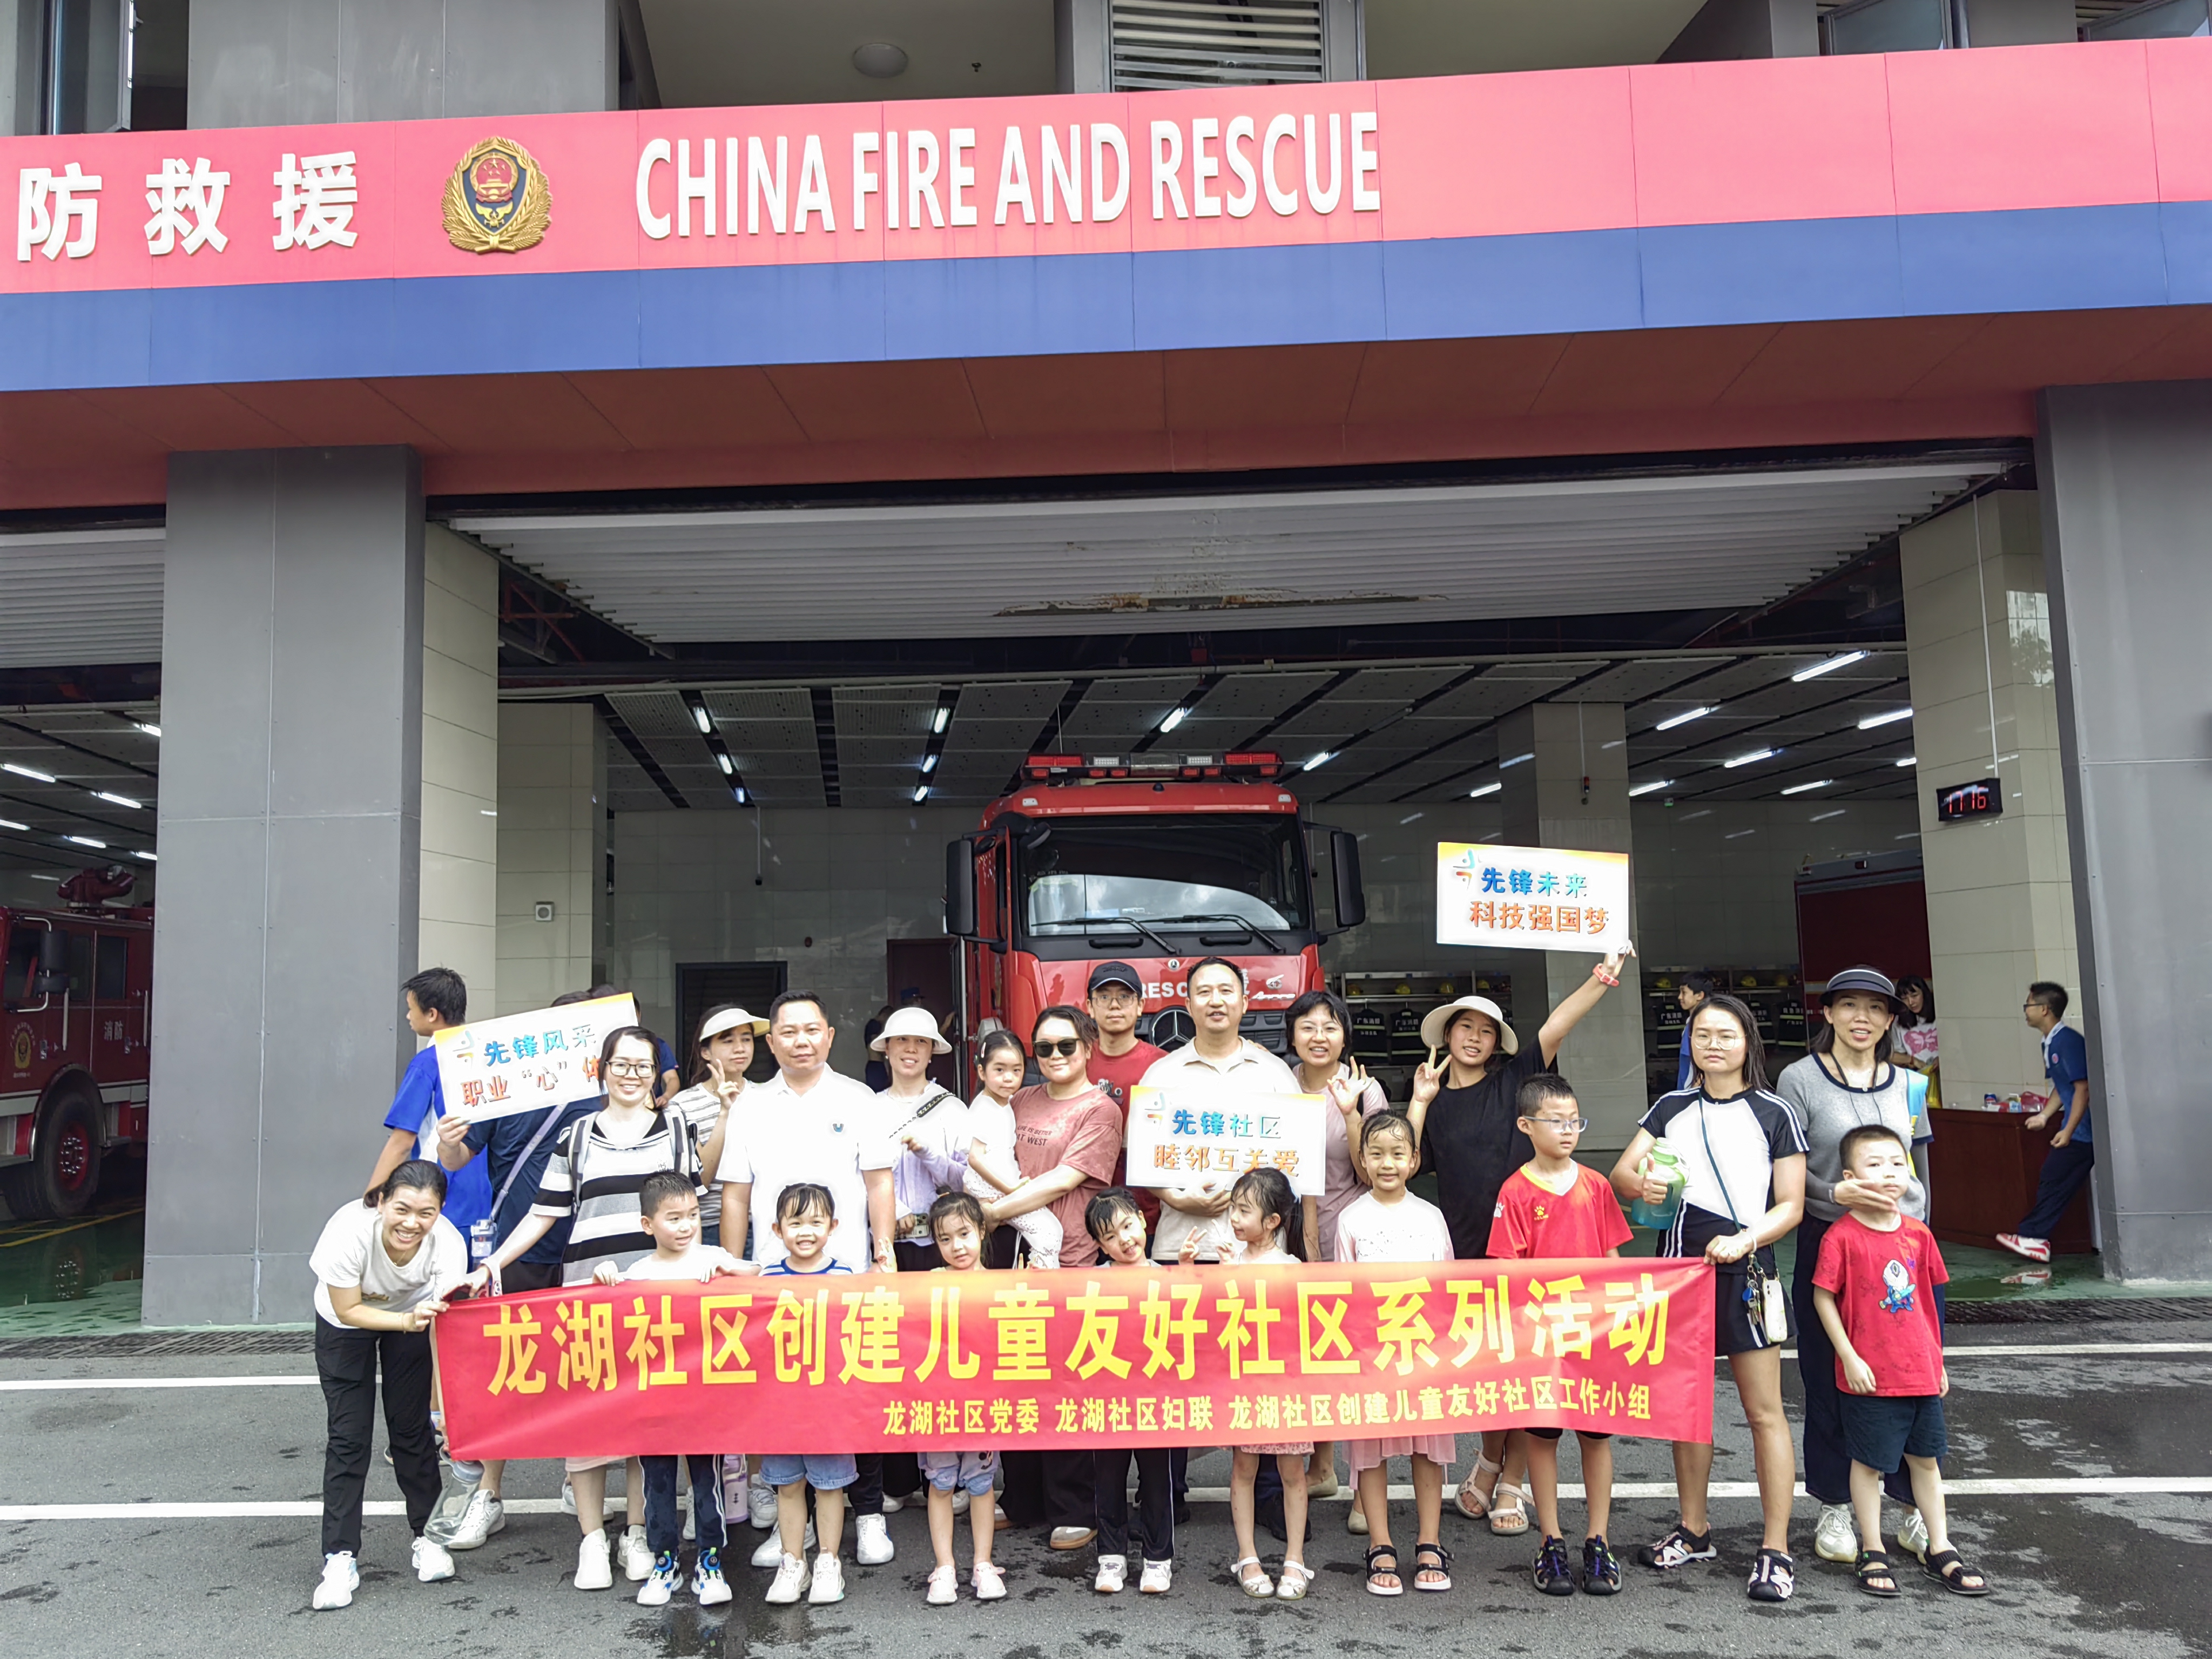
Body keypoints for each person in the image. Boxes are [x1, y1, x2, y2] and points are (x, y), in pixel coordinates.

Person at [464, 1024, 704, 1591]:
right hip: (586, 1294)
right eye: (621, 1065)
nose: (631, 1075)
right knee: (588, 1416)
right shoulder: (575, 1136)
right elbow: (543, 1214)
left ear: (656, 1074)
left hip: (656, 1295)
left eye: (643, 1066)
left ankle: (638, 1532)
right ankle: (592, 1539)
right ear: (602, 1070)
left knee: (648, 1417)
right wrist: (492, 1265)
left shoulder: (676, 1129)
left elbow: (687, 1212)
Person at [1407, 945, 1633, 1532]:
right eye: (1465, 1028)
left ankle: (1508, 1482)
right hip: (1471, 1252)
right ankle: (1490, 1461)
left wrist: (1603, 976)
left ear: (1497, 1044)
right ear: (1448, 1035)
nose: (1475, 1038)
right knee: (1492, 1371)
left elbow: (1558, 1024)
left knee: (1531, 1371)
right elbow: (1405, 1163)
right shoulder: (1435, 1101)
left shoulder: (1514, 1083)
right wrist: (1419, 1102)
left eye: (1486, 1031)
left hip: (1537, 1257)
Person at [1613, 993, 1806, 1603]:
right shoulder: (1670, 1107)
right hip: (1678, 1273)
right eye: (1702, 1035)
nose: (1713, 1045)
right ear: (1689, 1044)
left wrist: (1744, 1238)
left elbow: (1791, 1206)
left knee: (1764, 1411)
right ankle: (1693, 1529)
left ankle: (1775, 1548)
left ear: (1749, 1043)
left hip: (1748, 1269)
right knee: (1688, 1407)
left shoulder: (1774, 1112)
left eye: (1726, 1035)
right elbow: (1621, 1175)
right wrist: (1642, 1185)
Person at [716, 991, 900, 1569]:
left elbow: (879, 1182)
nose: (801, 1041)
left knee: (856, 1391)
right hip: (775, 1281)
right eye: (789, 1032)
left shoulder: (858, 1099)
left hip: (846, 1276)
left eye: (811, 1030)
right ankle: (790, 1524)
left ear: (829, 1036)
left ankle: (867, 1514)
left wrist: (884, 1255)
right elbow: (736, 1195)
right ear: (771, 1043)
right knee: (783, 1399)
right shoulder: (751, 1105)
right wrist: (731, 1267)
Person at [429, 987, 609, 1549]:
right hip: (516, 1251)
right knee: (507, 1373)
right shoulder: (504, 1091)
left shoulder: (609, 1094)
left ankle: (577, 1477)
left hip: (588, 1253)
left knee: (588, 1369)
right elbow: (459, 1157)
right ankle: (489, 1494)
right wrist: (447, 1142)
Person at [1775, 967, 1937, 1570]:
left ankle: (1912, 1508)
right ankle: (1835, 1505)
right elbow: (1786, 1170)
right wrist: (1830, 1194)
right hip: (1831, 1239)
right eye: (1848, 1005)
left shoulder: (1910, 1084)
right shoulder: (1799, 1079)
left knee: (1911, 1377)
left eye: (1875, 1007)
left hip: (1903, 1246)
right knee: (1828, 1374)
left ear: (1892, 1019)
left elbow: (1919, 1168)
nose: (1861, 1018)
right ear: (1827, 1013)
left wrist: (1919, 1235)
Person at [1812, 1125, 1990, 1599]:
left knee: (1927, 1462)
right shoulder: (1841, 1237)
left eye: (1897, 1163)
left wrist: (1938, 1359)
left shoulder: (1919, 1235)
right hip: (1870, 1377)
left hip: (1920, 1373)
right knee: (1867, 1464)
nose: (1890, 1173)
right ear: (1850, 1178)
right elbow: (1823, 1298)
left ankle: (1940, 1545)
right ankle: (1872, 1548)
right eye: (1875, 1165)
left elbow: (1929, 1303)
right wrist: (1849, 1356)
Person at [984, 1004, 1123, 1550]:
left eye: (1067, 1045)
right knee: (1016, 1378)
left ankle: (1074, 1506)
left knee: (1067, 1384)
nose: (1056, 1056)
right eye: (1044, 1048)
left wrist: (993, 1213)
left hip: (1070, 1259)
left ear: (1088, 1048)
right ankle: (1021, 1497)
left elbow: (1065, 1180)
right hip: (1012, 1258)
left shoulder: (1100, 1109)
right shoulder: (1018, 1100)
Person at [1489, 1075, 1631, 1597]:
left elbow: (1614, 1259)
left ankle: (1599, 1540)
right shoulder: (1515, 1190)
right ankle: (1551, 1539)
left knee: (1596, 1436)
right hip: (1542, 1337)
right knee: (1543, 1437)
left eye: (1575, 1121)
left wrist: (1619, 1320)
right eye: (1556, 1121)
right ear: (1526, 1126)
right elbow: (1505, 1272)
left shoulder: (1595, 1185)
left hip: (1593, 1334)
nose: (1568, 1130)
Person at [307, 1160, 469, 1611]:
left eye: (426, 1213)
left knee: (412, 1429)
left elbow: (448, 1331)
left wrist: (447, 1405)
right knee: (349, 1436)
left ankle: (430, 1538)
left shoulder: (448, 1244)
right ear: (381, 1202)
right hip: (347, 1321)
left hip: (414, 1319)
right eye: (402, 1209)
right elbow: (347, 1309)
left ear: (440, 1212)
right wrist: (403, 1321)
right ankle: (339, 1558)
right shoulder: (347, 1232)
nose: (412, 1223)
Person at [594, 1170, 756, 1608]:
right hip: (656, 1403)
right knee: (658, 1485)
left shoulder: (711, 1256)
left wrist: (730, 1267)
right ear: (648, 1225)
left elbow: (758, 1275)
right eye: (674, 1218)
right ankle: (665, 1563)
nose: (686, 1226)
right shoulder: (639, 1272)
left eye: (692, 1216)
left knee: (708, 1482)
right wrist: (606, 1276)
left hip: (706, 1400)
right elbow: (609, 1311)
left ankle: (710, 1563)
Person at [1336, 1111, 1455, 1597]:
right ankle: (1380, 1544)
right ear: (1363, 1161)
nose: (1388, 1163)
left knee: (1428, 1448)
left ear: (1414, 1160)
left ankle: (1430, 1541)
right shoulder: (1351, 1219)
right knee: (1370, 1451)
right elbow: (1342, 1293)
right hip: (1371, 1356)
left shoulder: (1431, 1216)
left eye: (1398, 1154)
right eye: (1377, 1154)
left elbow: (1449, 1287)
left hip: (1424, 1353)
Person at [1287, 988, 1385, 1516]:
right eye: (1308, 1026)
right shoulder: (1278, 1086)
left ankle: (1364, 1487)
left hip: (1350, 1240)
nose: (1319, 1036)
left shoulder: (1365, 1091)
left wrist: (1349, 1113)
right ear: (1292, 1036)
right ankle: (1322, 1467)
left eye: (1330, 1026)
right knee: (1312, 1359)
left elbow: (1373, 1172)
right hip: (1291, 1242)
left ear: (1345, 1036)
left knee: (1358, 1362)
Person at [873, 1003, 967, 1513]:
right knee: (892, 1359)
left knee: (944, 1360)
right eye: (901, 1041)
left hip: (941, 1248)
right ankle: (898, 1479)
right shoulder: (867, 1108)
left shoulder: (952, 1109)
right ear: (886, 1049)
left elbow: (966, 1182)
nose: (910, 1050)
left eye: (921, 1043)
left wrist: (930, 1153)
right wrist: (890, 1217)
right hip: (888, 1250)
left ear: (933, 1052)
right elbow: (858, 1179)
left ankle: (950, 1476)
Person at [759, 1183, 858, 1605]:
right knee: (788, 1486)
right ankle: (792, 1562)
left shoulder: (845, 1277)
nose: (805, 1232)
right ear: (777, 1229)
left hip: (829, 1405)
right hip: (781, 1407)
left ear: (832, 1226)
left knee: (830, 1487)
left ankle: (829, 1562)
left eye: (816, 1222)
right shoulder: (766, 1279)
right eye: (795, 1223)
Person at [1222, 1167, 1316, 1601]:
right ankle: (1248, 1556)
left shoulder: (1291, 1267)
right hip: (1244, 1384)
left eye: (1244, 1211)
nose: (1234, 1218)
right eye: (1233, 1208)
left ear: (1273, 1221)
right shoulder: (1229, 1261)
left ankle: (1295, 1558)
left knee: (1292, 1471)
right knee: (1243, 1468)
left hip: (1286, 1386)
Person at [1085, 1186, 1183, 1595]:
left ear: (1143, 1221)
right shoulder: (1093, 1283)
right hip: (1108, 1401)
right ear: (1099, 1245)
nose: (1124, 1240)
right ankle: (1111, 1557)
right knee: (1108, 1480)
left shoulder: (1167, 1277)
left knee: (1158, 1482)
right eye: (1110, 1236)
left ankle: (1158, 1560)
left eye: (1128, 1226)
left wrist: (1190, 1273)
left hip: (1156, 1402)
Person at [917, 1191, 1008, 1605]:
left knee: (981, 1485)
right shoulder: (929, 1283)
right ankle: (944, 1567)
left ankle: (983, 1564)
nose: (957, 1246)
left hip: (983, 1406)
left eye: (964, 1234)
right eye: (945, 1239)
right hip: (938, 1406)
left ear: (982, 1231)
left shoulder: (1002, 1285)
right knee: (940, 1485)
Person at [365, 967, 493, 1250]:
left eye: (411, 1009)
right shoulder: (490, 1059)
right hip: (488, 1199)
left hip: (438, 1196)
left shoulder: (428, 1063)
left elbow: (401, 1142)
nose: (408, 1017)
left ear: (432, 1014)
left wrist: (371, 1201)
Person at [1999, 982, 2095, 1265]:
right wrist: (2045, 1116)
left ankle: (2035, 1237)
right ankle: (2035, 1237)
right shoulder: (2049, 1042)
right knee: (2054, 1179)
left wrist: (2068, 1130)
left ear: (2044, 1009)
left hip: (2084, 1132)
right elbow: (2062, 1086)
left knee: (2054, 1177)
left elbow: (2083, 1088)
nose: (2025, 1011)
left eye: (2028, 1005)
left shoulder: (2067, 1041)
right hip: (2076, 1128)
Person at [667, 1003, 767, 1249]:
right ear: (706, 1053)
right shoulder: (682, 1105)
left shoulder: (767, 1097)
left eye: (746, 1039)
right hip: (707, 1228)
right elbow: (699, 1181)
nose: (740, 1048)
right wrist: (725, 1113)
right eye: (728, 1041)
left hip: (765, 1225)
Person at [964, 1029, 1060, 1267]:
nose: (1009, 1078)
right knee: (1049, 1232)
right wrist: (1011, 1189)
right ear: (982, 1072)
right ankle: (1043, 1279)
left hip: (1003, 1185)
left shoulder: (1005, 1103)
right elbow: (975, 1158)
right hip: (995, 1189)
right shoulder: (984, 1107)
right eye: (1000, 1070)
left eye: (1016, 1070)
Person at [1084, 961, 1168, 1223]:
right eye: (1104, 997)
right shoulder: (1075, 1060)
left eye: (1124, 997)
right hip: (1084, 1212)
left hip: (1146, 1212)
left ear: (1140, 1006)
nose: (1114, 1005)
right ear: (1090, 1007)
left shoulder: (1163, 1066)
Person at [1894, 975, 1940, 1102]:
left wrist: (1942, 1059)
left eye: (1915, 996)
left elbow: (1955, 1048)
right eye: (1905, 999)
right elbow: (1892, 1056)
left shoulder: (1940, 1014)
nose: (1911, 1002)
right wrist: (1913, 1061)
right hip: (1918, 1078)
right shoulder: (1899, 1022)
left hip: (1946, 1076)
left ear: (1924, 993)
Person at [1675, 973, 1715, 1091]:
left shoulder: (1700, 1025)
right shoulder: (1693, 1022)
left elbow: (1703, 1064)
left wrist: (1693, 1095)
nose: (1680, 997)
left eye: (1684, 992)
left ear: (1700, 996)